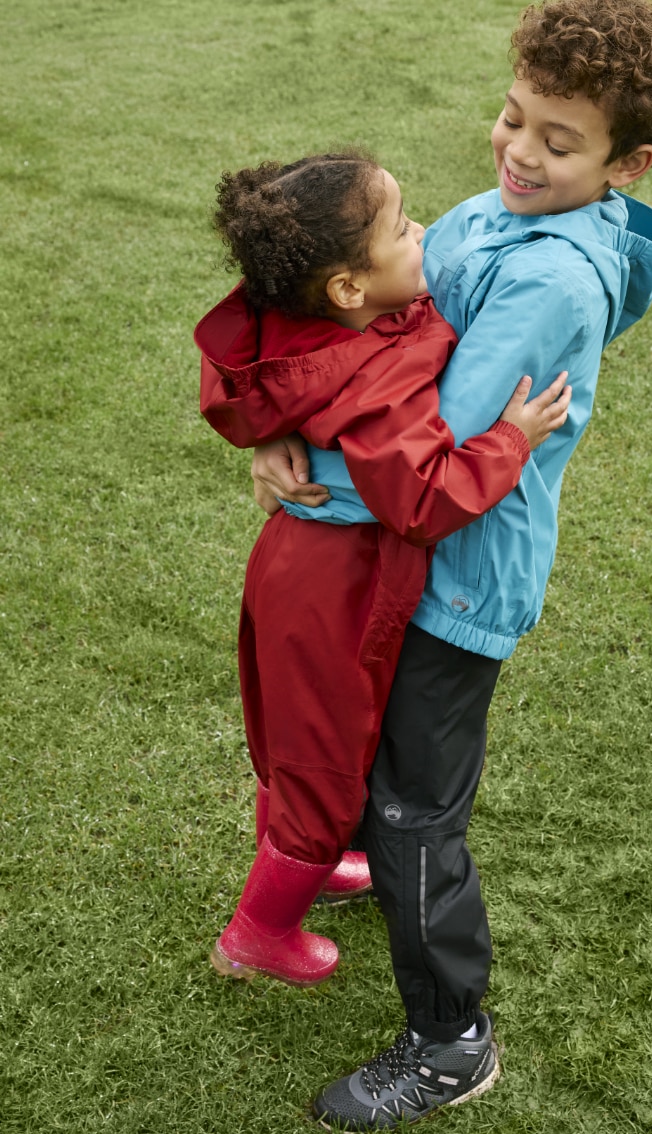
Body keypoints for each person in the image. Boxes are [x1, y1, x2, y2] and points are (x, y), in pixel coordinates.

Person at [253, 0, 652, 1130]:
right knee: (371, 755)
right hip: (401, 559)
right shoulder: (481, 213)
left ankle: (452, 1040)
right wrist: (279, 425)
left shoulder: (554, 279)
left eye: (559, 142)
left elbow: (436, 462)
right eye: (514, 118)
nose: (519, 151)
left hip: (454, 581)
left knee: (417, 810)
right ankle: (365, 870)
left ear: (628, 163)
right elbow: (366, 336)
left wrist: (310, 475)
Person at [195, 150, 571, 989]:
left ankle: (314, 867)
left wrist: (265, 434)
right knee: (325, 763)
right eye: (402, 228)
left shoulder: (309, 325)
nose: (424, 234)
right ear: (348, 290)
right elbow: (422, 500)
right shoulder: (379, 383)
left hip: (290, 567)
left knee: (293, 742)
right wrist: (511, 439)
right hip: (334, 588)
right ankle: (258, 933)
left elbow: (230, 369)